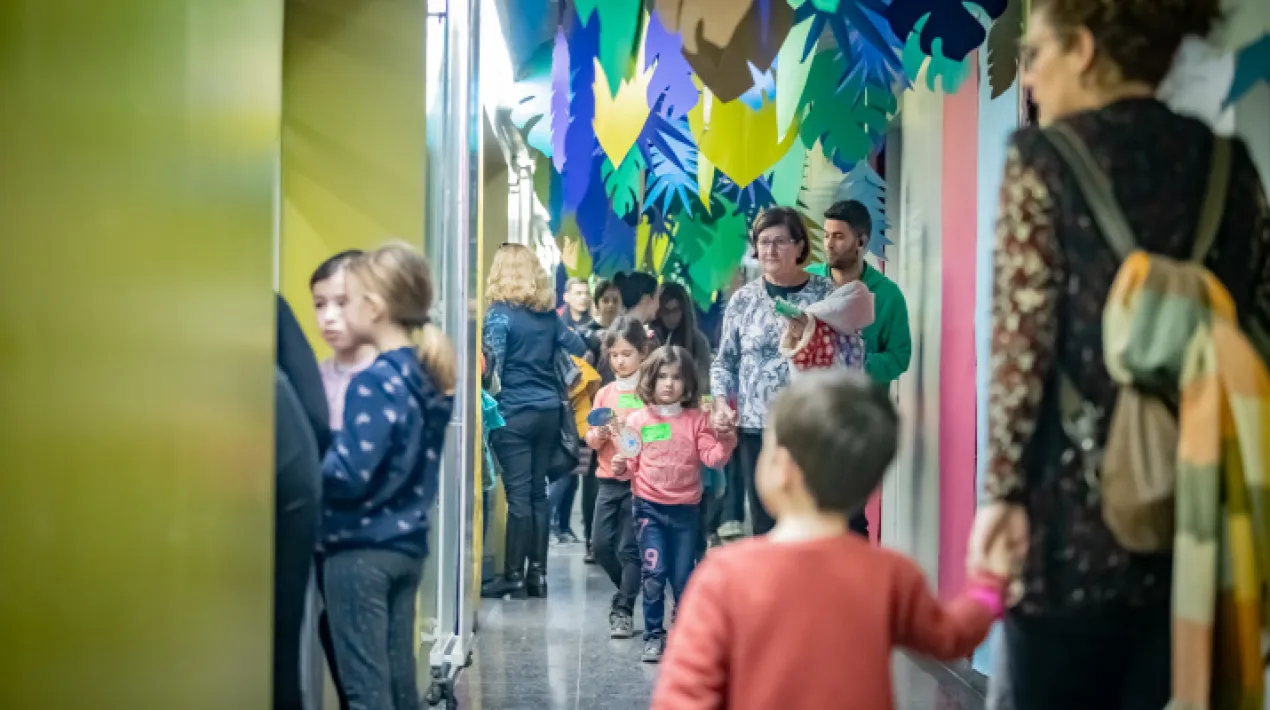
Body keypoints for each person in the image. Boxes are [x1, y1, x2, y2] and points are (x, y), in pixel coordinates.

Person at [967, 1, 1270, 708]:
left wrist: (1001, 496)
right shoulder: (1229, 164)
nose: (1031, 79)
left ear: (1083, 49)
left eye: (1036, 54)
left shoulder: (1041, 157)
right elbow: (1257, 328)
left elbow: (1022, 344)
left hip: (1074, 522)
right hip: (1202, 514)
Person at [651, 370, 1012, 710]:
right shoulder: (891, 575)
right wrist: (990, 582)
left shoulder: (723, 577)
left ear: (782, 466)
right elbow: (951, 637)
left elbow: (682, 699)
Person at [320, 243, 455, 710]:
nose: (338, 311)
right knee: (400, 689)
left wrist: (306, 468)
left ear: (373, 309)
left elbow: (351, 473)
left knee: (366, 692)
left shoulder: (374, 381)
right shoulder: (428, 376)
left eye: (348, 300)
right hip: (407, 548)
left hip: (359, 551)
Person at [711, 206, 836, 537]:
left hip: (809, 426)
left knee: (811, 514)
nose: (770, 250)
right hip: (757, 427)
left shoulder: (826, 293)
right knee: (766, 522)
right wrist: (721, 402)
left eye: (780, 241)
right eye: (763, 242)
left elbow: (850, 353)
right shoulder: (743, 300)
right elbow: (725, 361)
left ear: (798, 246)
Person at [612, 345, 736, 662]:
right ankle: (653, 635)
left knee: (683, 578)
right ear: (650, 380)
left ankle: (684, 634)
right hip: (648, 510)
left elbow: (714, 458)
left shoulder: (697, 420)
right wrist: (621, 466)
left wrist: (726, 437)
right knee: (654, 574)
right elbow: (630, 465)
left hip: (686, 513)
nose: (669, 384)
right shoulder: (638, 420)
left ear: (688, 382)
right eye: (662, 376)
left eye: (677, 377)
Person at [481, 244, 587, 598]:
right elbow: (578, 345)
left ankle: (513, 574)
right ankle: (537, 575)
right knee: (538, 495)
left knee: (519, 498)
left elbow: (490, 370)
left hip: (513, 413)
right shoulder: (546, 316)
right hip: (548, 414)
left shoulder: (499, 315)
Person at [583, 317, 654, 639]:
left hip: (638, 483)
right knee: (600, 545)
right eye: (614, 355)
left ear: (642, 352)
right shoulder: (605, 393)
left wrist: (630, 441)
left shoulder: (648, 392)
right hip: (607, 480)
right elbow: (591, 438)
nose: (619, 361)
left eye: (626, 354)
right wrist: (597, 435)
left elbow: (655, 435)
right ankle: (627, 589)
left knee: (629, 549)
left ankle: (623, 608)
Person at [806, 200, 911, 387]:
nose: (829, 244)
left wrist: (853, 361)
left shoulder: (888, 295)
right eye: (826, 235)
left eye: (838, 237)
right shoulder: (807, 280)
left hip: (862, 408)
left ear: (861, 242)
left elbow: (899, 358)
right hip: (811, 404)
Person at [312, 250, 379, 433]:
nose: (328, 317)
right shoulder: (313, 379)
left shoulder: (386, 379)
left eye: (342, 303)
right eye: (320, 304)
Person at [581, 278, 623, 563]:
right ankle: (591, 540)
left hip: (625, 415)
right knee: (592, 477)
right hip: (594, 411)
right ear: (597, 304)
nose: (609, 304)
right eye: (604, 299)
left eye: (614, 300)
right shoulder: (587, 336)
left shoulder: (627, 334)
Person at [652, 282, 712, 384]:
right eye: (666, 311)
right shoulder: (650, 337)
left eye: (675, 310)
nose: (671, 317)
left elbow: (704, 382)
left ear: (684, 311)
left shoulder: (698, 342)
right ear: (658, 311)